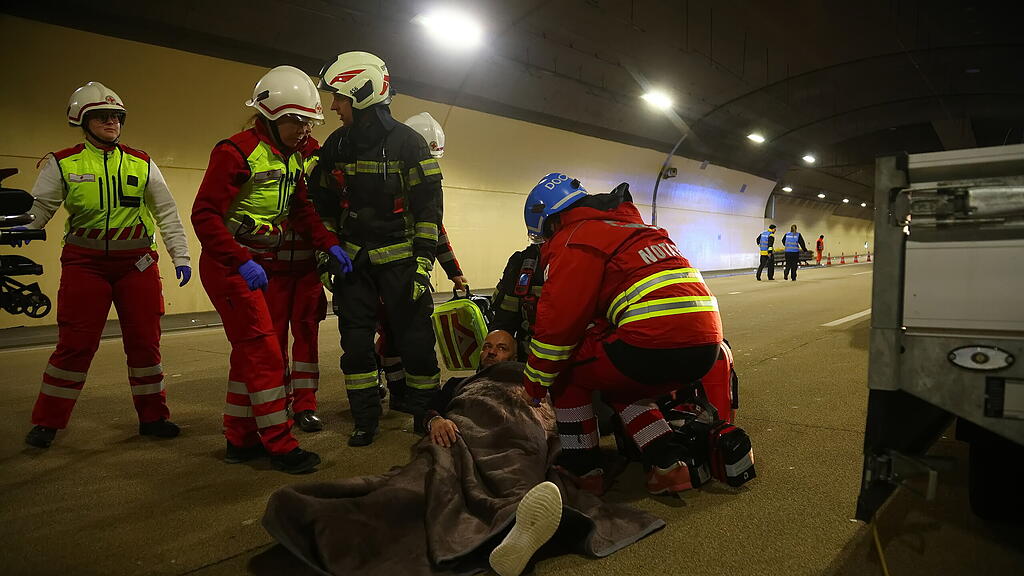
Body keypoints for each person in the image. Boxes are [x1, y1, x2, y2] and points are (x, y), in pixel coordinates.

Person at [521, 173, 723, 497]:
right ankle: (670, 464)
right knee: (624, 385)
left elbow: (559, 326)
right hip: (705, 348)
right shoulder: (638, 229)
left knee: (568, 370)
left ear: (552, 221)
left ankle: (583, 470)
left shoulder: (574, 236)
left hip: (653, 344)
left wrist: (534, 385)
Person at [191, 65, 351, 474]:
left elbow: (300, 209)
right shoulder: (235, 152)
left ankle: (240, 438)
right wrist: (240, 259)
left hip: (255, 264)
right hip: (233, 266)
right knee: (265, 353)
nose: (304, 130)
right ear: (272, 116)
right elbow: (205, 215)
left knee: (250, 353)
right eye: (297, 121)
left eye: (309, 121)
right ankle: (279, 443)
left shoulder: (290, 156)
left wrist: (329, 243)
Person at [21, 82, 191, 449]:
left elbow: (167, 213)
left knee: (146, 344)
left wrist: (181, 255)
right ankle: (47, 422)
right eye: (102, 116)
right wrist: (22, 228)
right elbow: (40, 208)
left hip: (138, 265)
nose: (111, 122)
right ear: (82, 120)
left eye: (116, 116)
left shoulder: (141, 161)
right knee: (75, 345)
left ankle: (154, 418)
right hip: (85, 264)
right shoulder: (63, 161)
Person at [312, 51, 444, 447]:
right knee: (355, 347)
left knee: (416, 341)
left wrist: (423, 262)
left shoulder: (409, 144)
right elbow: (322, 204)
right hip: (354, 264)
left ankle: (425, 415)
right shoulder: (336, 144)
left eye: (338, 97)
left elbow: (428, 209)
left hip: (403, 262)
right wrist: (327, 252)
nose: (333, 106)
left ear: (361, 92)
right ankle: (365, 418)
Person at [376, 112, 467, 414]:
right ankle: (397, 391)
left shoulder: (423, 189)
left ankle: (411, 396)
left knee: (410, 336)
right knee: (390, 335)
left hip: (412, 273)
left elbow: (438, 233)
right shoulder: (386, 186)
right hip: (385, 273)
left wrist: (455, 274)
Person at [427, 329, 517, 447]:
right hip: (460, 444)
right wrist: (435, 420)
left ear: (514, 359)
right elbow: (427, 409)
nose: (491, 352)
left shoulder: (523, 390)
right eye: (487, 346)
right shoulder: (457, 384)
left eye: (501, 348)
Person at [491, 243, 543, 360]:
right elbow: (503, 325)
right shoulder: (525, 262)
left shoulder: (527, 261)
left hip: (580, 362)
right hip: (529, 359)